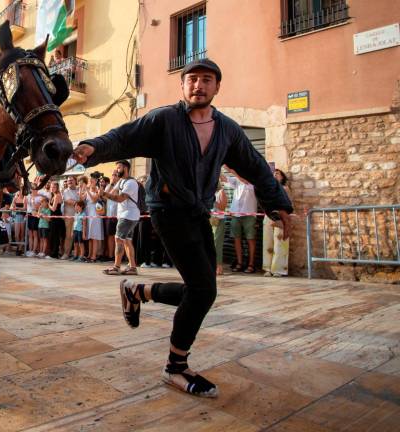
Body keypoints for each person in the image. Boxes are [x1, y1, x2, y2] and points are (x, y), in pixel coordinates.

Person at [72, 58, 293, 398]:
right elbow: (124, 136)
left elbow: (255, 165)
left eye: (206, 80)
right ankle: (175, 368)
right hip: (168, 210)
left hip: (197, 212)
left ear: (217, 87)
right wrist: (95, 148)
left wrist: (276, 203)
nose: (198, 85)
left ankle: (137, 292)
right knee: (203, 291)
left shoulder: (228, 130)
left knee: (203, 290)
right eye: (192, 79)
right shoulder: (164, 119)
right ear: (183, 85)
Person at [101, 160, 139, 275]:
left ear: (125, 168)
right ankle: (132, 267)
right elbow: (110, 193)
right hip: (126, 215)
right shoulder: (121, 181)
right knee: (127, 241)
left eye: (118, 168)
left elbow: (119, 198)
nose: (116, 170)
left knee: (118, 239)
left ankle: (116, 267)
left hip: (128, 215)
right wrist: (111, 183)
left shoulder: (131, 183)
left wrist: (104, 194)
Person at [226, 171, 258, 273]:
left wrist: (233, 172)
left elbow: (246, 182)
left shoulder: (254, 181)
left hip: (249, 215)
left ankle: (251, 264)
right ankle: (239, 263)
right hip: (236, 214)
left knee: (251, 239)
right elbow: (224, 179)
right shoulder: (237, 180)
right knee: (236, 239)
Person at [263, 169, 292, 277]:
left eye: (277, 173)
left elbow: (289, 204)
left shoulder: (285, 189)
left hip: (281, 216)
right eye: (273, 173)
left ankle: (278, 269)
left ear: (282, 177)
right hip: (268, 216)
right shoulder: (268, 189)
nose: (275, 175)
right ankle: (267, 268)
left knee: (280, 241)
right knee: (268, 241)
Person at [211, 176, 229, 275]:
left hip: (219, 220)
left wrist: (212, 200)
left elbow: (222, 207)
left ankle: (219, 266)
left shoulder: (221, 192)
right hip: (210, 220)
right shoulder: (208, 192)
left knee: (217, 244)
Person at [61, 176, 80, 259]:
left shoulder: (79, 190)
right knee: (69, 236)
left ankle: (78, 254)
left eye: (71, 180)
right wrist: (80, 203)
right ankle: (66, 253)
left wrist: (79, 203)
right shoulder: (65, 192)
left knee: (78, 236)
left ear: (75, 181)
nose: (69, 182)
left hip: (79, 216)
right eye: (68, 181)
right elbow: (69, 202)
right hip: (69, 216)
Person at [103, 173, 119, 262]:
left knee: (118, 237)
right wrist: (111, 184)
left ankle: (118, 256)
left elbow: (114, 195)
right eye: (112, 175)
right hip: (109, 214)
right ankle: (110, 256)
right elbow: (104, 197)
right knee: (110, 236)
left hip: (118, 215)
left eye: (115, 175)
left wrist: (114, 185)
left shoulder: (120, 185)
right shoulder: (109, 186)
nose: (113, 177)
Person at [47, 180, 64, 258]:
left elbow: (53, 209)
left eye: (54, 187)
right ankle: (52, 253)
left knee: (55, 236)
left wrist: (48, 205)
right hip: (53, 218)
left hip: (57, 218)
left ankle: (54, 254)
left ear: (57, 188)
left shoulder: (57, 195)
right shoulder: (53, 195)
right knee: (52, 236)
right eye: (51, 187)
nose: (52, 188)